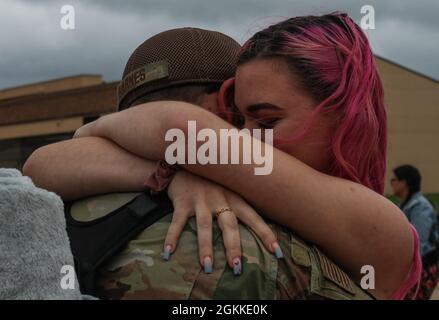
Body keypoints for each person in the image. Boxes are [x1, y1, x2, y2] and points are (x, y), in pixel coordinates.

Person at [25, 13, 420, 299]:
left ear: (344, 119)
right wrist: (171, 173)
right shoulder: (227, 179)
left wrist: (93, 130)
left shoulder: (381, 226)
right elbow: (40, 166)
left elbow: (177, 127)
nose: (244, 141)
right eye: (239, 122)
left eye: (266, 122)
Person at [391, 164, 439, 299]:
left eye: (394, 180)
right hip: (412, 266)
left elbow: (419, 245)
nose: (391, 184)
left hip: (423, 267)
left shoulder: (421, 207)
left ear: (404, 182)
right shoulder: (405, 205)